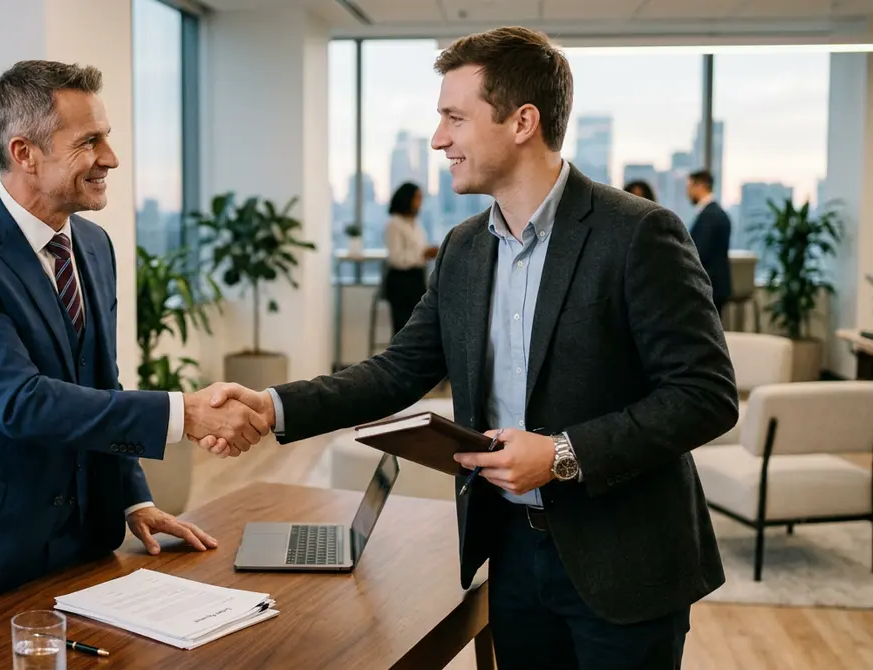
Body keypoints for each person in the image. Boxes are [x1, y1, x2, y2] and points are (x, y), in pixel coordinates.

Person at [201, 27, 736, 670]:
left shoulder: (639, 234)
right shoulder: (463, 249)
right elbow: (399, 370)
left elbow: (705, 394)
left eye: (454, 117)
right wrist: (269, 406)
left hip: (624, 563)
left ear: (521, 122)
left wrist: (564, 455)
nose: (438, 140)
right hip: (509, 553)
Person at [0, 60, 269, 633]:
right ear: (24, 152)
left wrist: (133, 497)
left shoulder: (93, 243)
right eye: (90, 141)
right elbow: (21, 402)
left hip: (77, 541)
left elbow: (97, 384)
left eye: (106, 137)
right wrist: (185, 412)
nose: (110, 157)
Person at [383, 182, 438, 334]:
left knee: (417, 328)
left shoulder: (415, 223)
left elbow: (419, 248)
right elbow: (396, 258)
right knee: (403, 328)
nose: (420, 202)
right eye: (417, 197)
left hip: (416, 280)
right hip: (401, 282)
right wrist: (422, 255)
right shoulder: (394, 224)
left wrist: (428, 252)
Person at [686, 169, 733, 315]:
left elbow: (698, 252)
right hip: (717, 285)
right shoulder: (718, 213)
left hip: (708, 285)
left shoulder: (709, 216)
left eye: (689, 187)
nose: (687, 192)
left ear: (699, 186)